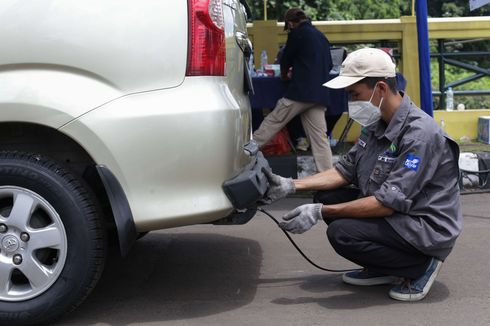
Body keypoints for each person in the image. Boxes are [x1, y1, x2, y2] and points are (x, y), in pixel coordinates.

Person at [260, 48, 463, 302]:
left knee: (342, 232)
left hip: (423, 226)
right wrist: (290, 185)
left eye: (354, 95)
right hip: (400, 214)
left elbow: (386, 203)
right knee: (329, 196)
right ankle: (386, 267)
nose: (351, 103)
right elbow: (344, 171)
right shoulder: (376, 125)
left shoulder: (419, 134)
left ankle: (419, 265)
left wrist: (320, 212)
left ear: (380, 89)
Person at [253, 8, 333, 171]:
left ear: (290, 23)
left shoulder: (296, 34)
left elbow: (285, 60)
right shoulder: (321, 36)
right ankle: (328, 176)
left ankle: (245, 153)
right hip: (319, 94)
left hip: (300, 93)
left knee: (273, 121)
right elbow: (330, 64)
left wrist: (284, 75)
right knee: (320, 139)